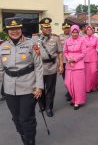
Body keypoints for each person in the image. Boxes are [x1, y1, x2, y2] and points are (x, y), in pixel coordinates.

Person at [0, 17, 43, 145]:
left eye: (17, 28)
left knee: (26, 117)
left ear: (21, 28)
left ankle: (30, 140)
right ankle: (24, 135)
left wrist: (39, 86)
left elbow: (38, 66)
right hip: (9, 89)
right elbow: (1, 69)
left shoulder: (31, 44)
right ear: (7, 31)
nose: (14, 31)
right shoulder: (2, 47)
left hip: (28, 87)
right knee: (16, 118)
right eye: (11, 29)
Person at [32, 17, 64, 117]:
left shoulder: (55, 38)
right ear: (41, 28)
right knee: (40, 87)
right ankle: (42, 105)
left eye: (49, 27)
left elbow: (60, 52)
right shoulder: (35, 38)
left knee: (50, 88)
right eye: (45, 27)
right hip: (39, 67)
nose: (48, 29)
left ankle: (49, 107)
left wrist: (61, 65)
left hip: (51, 67)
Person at [64, 25, 87, 110]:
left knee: (78, 85)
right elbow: (65, 52)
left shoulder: (82, 40)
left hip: (78, 65)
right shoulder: (67, 41)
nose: (74, 34)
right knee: (68, 83)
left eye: (76, 32)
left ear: (78, 32)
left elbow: (84, 52)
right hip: (69, 64)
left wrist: (75, 59)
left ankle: (78, 101)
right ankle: (74, 98)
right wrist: (68, 58)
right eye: (73, 32)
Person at [82, 25, 98, 92]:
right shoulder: (83, 38)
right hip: (85, 57)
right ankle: (88, 88)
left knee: (94, 72)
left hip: (93, 57)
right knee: (87, 74)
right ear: (86, 31)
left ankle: (95, 85)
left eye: (90, 30)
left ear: (92, 31)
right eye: (88, 30)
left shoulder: (95, 38)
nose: (89, 31)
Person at [59, 22, 72, 101]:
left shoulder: (73, 36)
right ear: (62, 28)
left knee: (71, 78)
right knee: (65, 79)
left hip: (71, 61)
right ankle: (69, 91)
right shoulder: (59, 37)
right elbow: (58, 50)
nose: (67, 29)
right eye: (65, 28)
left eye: (68, 28)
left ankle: (71, 92)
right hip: (63, 61)